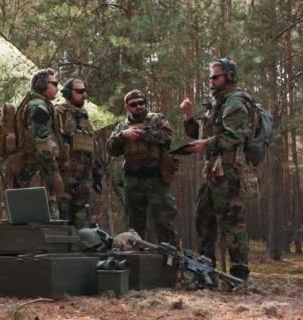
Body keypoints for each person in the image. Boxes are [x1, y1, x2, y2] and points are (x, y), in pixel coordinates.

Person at [180, 58, 252, 281]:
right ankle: (206, 271)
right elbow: (199, 136)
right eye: (210, 77)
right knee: (204, 218)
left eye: (215, 76)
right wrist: (189, 117)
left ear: (229, 76)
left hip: (229, 171)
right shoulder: (218, 103)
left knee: (231, 223)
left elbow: (235, 136)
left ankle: (239, 276)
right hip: (213, 171)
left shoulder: (235, 103)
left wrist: (207, 144)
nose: (211, 81)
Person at [106, 90, 179, 246]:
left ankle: (170, 260)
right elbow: (111, 149)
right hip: (133, 180)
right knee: (134, 226)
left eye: (141, 103)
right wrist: (123, 136)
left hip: (156, 178)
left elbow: (168, 138)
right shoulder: (122, 127)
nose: (138, 107)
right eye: (134, 104)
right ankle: (137, 260)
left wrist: (144, 133)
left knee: (164, 222)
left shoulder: (157, 119)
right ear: (127, 107)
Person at [13, 68, 64, 219]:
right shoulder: (38, 106)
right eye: (54, 83)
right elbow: (41, 140)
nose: (57, 87)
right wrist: (54, 172)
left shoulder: (41, 104)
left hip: (38, 171)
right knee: (45, 221)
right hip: (36, 171)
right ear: (42, 84)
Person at [54, 79, 103, 228]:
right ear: (68, 93)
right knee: (62, 219)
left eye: (85, 91)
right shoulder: (58, 113)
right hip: (64, 175)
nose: (84, 95)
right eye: (80, 91)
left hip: (83, 178)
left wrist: (97, 174)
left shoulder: (85, 118)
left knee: (82, 220)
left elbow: (91, 148)